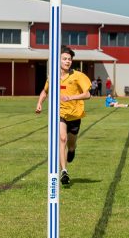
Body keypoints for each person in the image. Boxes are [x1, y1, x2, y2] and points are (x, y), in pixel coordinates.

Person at [35, 46, 92, 186]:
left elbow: (88, 94)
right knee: (62, 138)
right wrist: (39, 103)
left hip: (75, 115)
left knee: (71, 144)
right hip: (60, 114)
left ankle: (72, 150)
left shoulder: (78, 76)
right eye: (64, 59)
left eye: (69, 59)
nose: (67, 61)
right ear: (58, 60)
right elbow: (45, 91)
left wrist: (71, 98)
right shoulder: (53, 77)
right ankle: (64, 171)